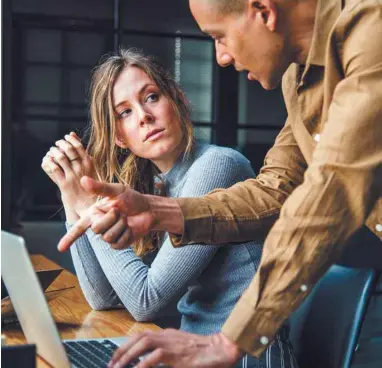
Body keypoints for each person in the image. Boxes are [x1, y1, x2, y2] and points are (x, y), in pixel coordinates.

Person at [58, 0, 382, 367]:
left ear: (263, 10)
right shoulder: (300, 77)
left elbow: (330, 191)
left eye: (219, 37)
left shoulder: (372, 33)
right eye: (126, 112)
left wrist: (232, 339)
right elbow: (275, 188)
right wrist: (157, 210)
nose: (222, 57)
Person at [41, 49, 297, 367]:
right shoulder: (158, 183)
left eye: (151, 97)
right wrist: (72, 197)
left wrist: (88, 204)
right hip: (194, 354)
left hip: (244, 357)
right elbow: (102, 298)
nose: (144, 116)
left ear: (178, 99)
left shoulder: (218, 166)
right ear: (120, 138)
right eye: (124, 113)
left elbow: (144, 300)